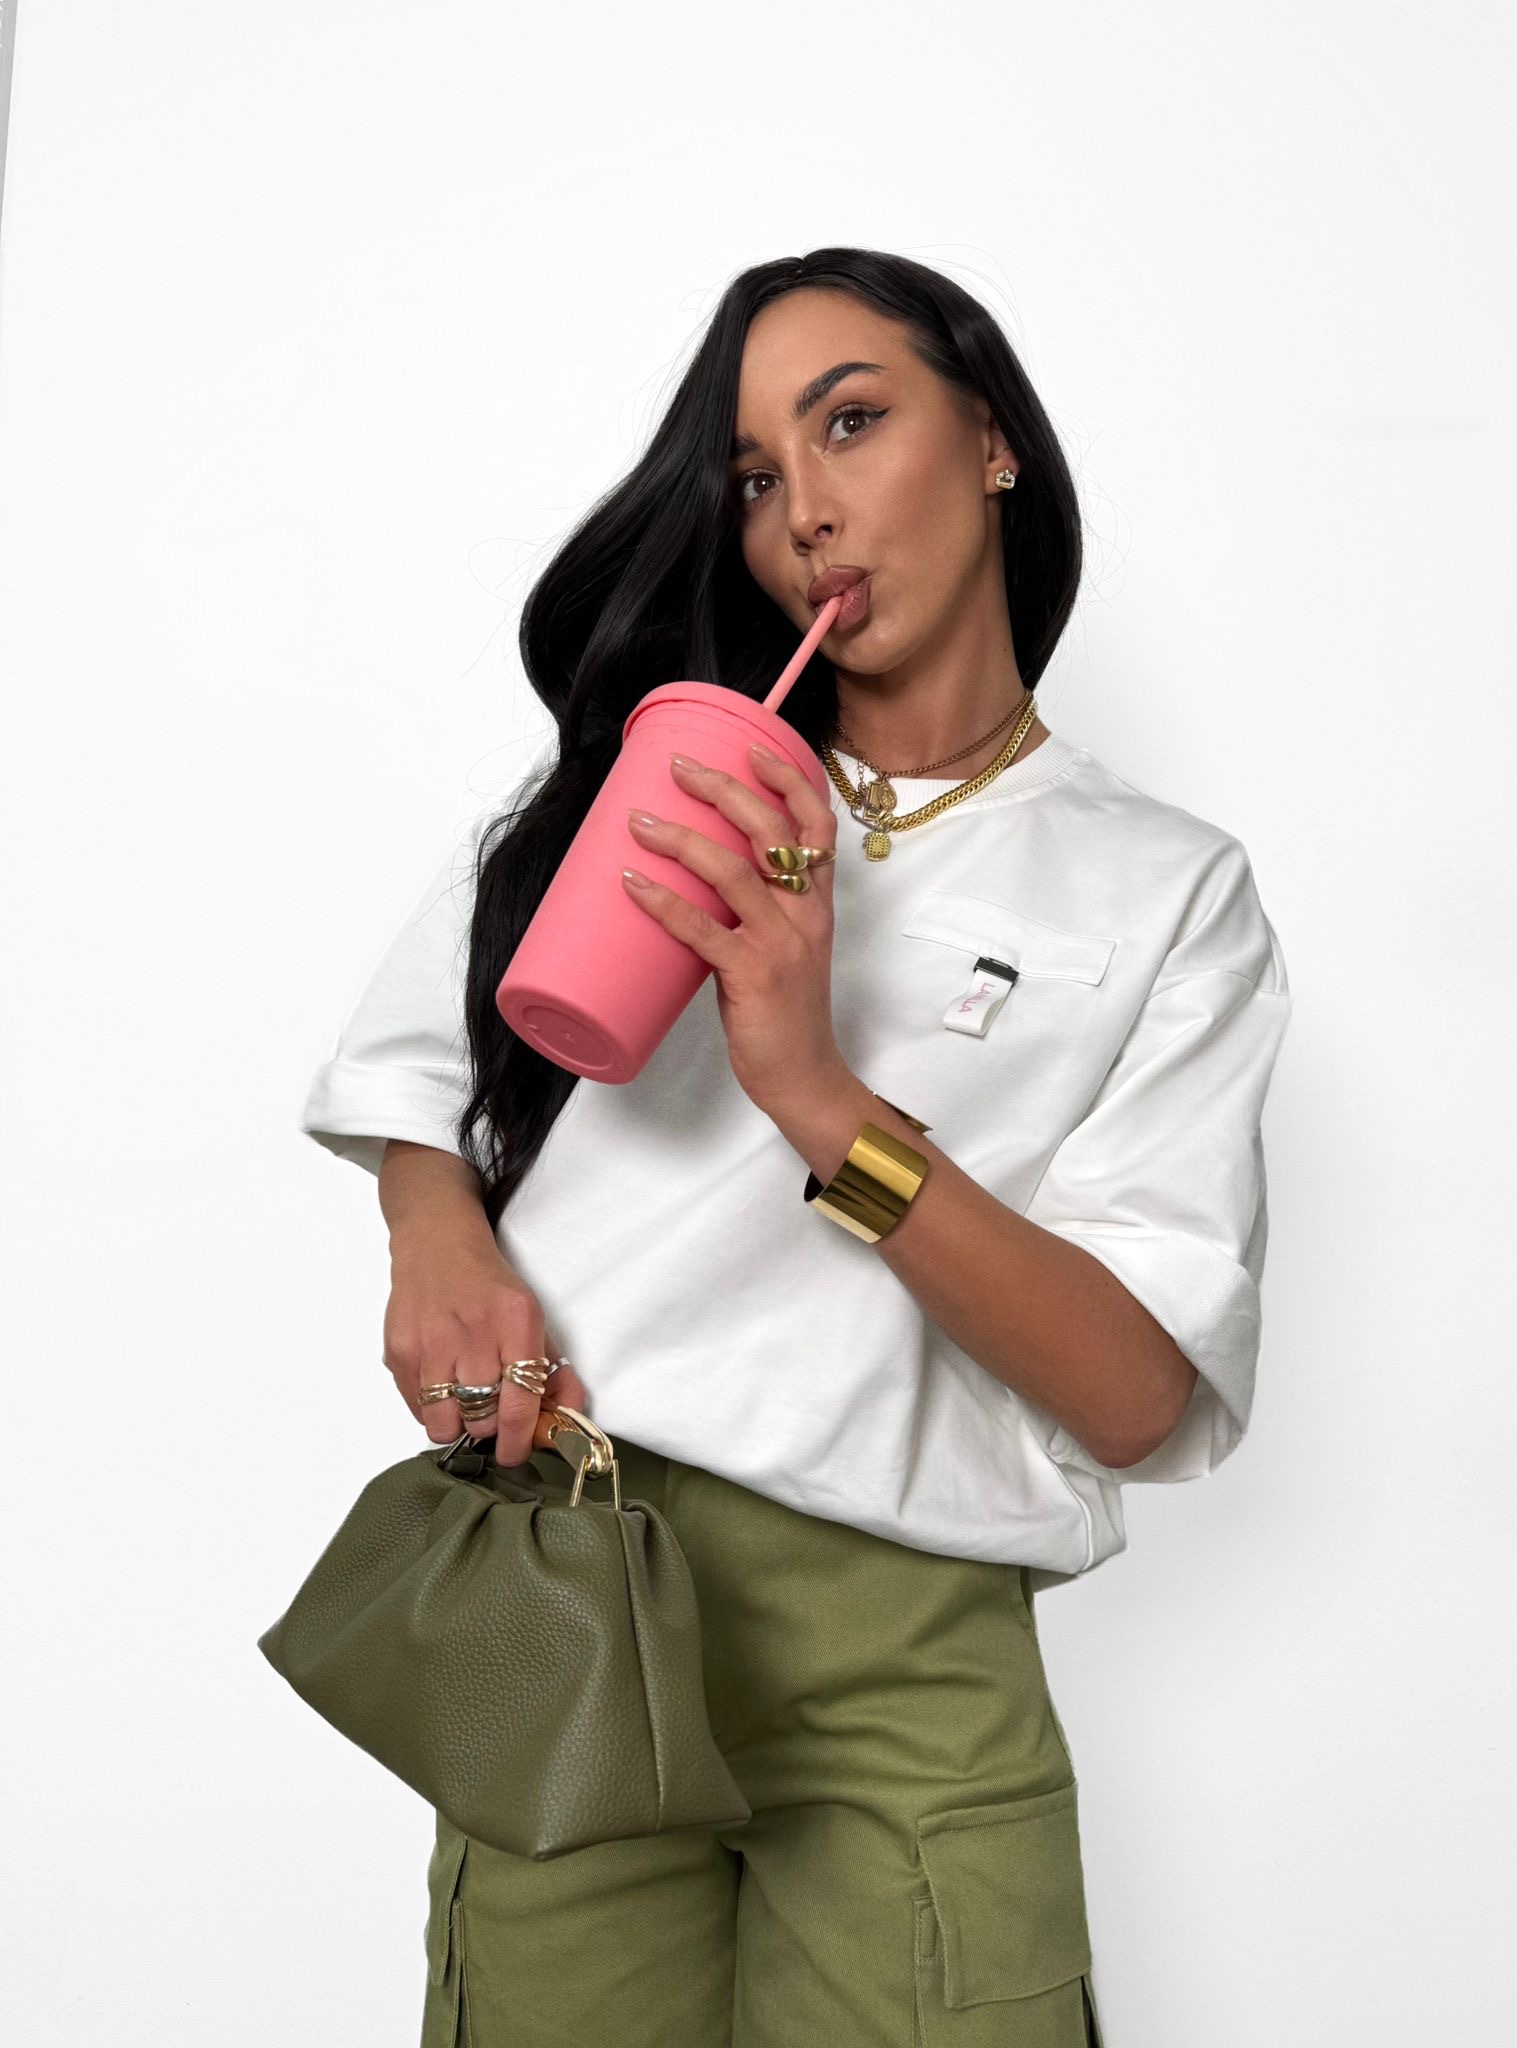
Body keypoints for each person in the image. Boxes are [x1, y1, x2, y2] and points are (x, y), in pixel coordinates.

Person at [299, 248, 1293, 2048]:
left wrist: (815, 1093)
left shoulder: (1164, 889)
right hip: (579, 1582)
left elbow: (1138, 1398)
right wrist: (433, 1241)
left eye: (851, 424)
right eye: (755, 476)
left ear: (989, 439)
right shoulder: (667, 780)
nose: (806, 514)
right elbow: (412, 1080)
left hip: (903, 1649)